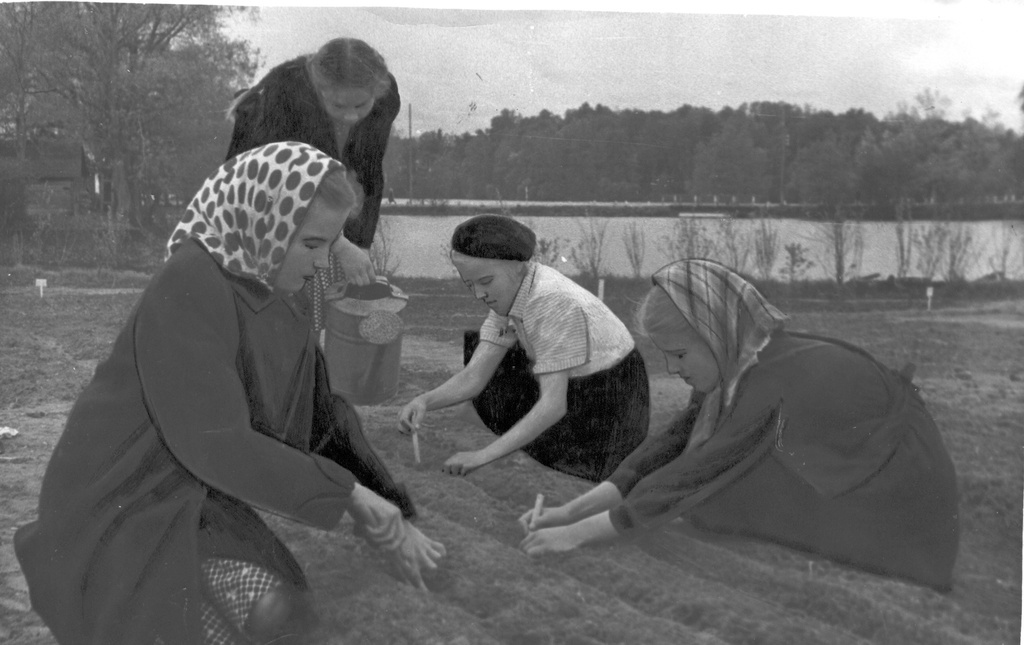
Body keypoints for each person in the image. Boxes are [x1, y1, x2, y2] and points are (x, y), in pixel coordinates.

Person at [14, 142, 445, 645]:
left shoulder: (287, 295)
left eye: (330, 245)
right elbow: (216, 443)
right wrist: (351, 497)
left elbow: (322, 417)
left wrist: (390, 505)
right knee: (195, 627)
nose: (323, 262)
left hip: (198, 502)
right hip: (119, 503)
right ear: (266, 220)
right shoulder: (189, 281)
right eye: (311, 244)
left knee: (282, 613)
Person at [519, 259, 960, 591]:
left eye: (679, 354)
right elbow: (669, 445)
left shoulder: (772, 378)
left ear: (714, 336)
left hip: (902, 502)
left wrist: (576, 536)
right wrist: (572, 511)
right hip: (850, 471)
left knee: (708, 496)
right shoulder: (740, 360)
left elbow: (701, 469)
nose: (673, 369)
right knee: (704, 501)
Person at [398, 214, 650, 482]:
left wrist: (481, 456)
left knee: (535, 416)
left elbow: (554, 405)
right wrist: (424, 400)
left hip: (609, 397)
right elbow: (475, 375)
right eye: (470, 284)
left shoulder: (552, 301)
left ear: (518, 267)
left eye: (485, 282)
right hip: (577, 385)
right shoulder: (512, 292)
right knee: (481, 349)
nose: (478, 295)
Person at [226, 37, 400, 334]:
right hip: (257, 189)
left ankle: (312, 359)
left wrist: (361, 244)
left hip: (310, 186)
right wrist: (340, 245)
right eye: (339, 105)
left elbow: (368, 171)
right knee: (275, 308)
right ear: (320, 90)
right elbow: (282, 184)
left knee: (321, 304)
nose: (350, 116)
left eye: (360, 105)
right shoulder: (285, 93)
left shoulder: (385, 95)